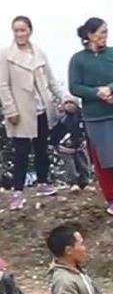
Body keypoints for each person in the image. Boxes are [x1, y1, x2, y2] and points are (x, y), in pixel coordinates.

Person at [66, 17, 113, 217]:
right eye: (101, 32)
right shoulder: (78, 59)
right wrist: (97, 93)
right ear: (89, 35)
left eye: (106, 32)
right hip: (96, 117)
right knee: (104, 160)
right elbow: (75, 86)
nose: (105, 36)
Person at [2, 16, 73, 210]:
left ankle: (43, 182)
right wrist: (10, 109)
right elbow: (3, 85)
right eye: (16, 30)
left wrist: (65, 98)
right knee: (21, 152)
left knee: (42, 148)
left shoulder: (39, 53)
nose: (19, 34)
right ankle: (17, 191)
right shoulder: (6, 55)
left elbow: (51, 81)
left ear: (29, 31)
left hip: (41, 107)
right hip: (20, 110)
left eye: (23, 30)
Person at [50, 100, 94, 189]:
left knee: (83, 164)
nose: (69, 106)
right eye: (66, 103)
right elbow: (54, 132)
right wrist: (53, 144)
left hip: (79, 146)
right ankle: (73, 183)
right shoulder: (60, 118)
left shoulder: (82, 116)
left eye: (71, 103)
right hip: (64, 147)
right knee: (70, 166)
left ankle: (84, 182)